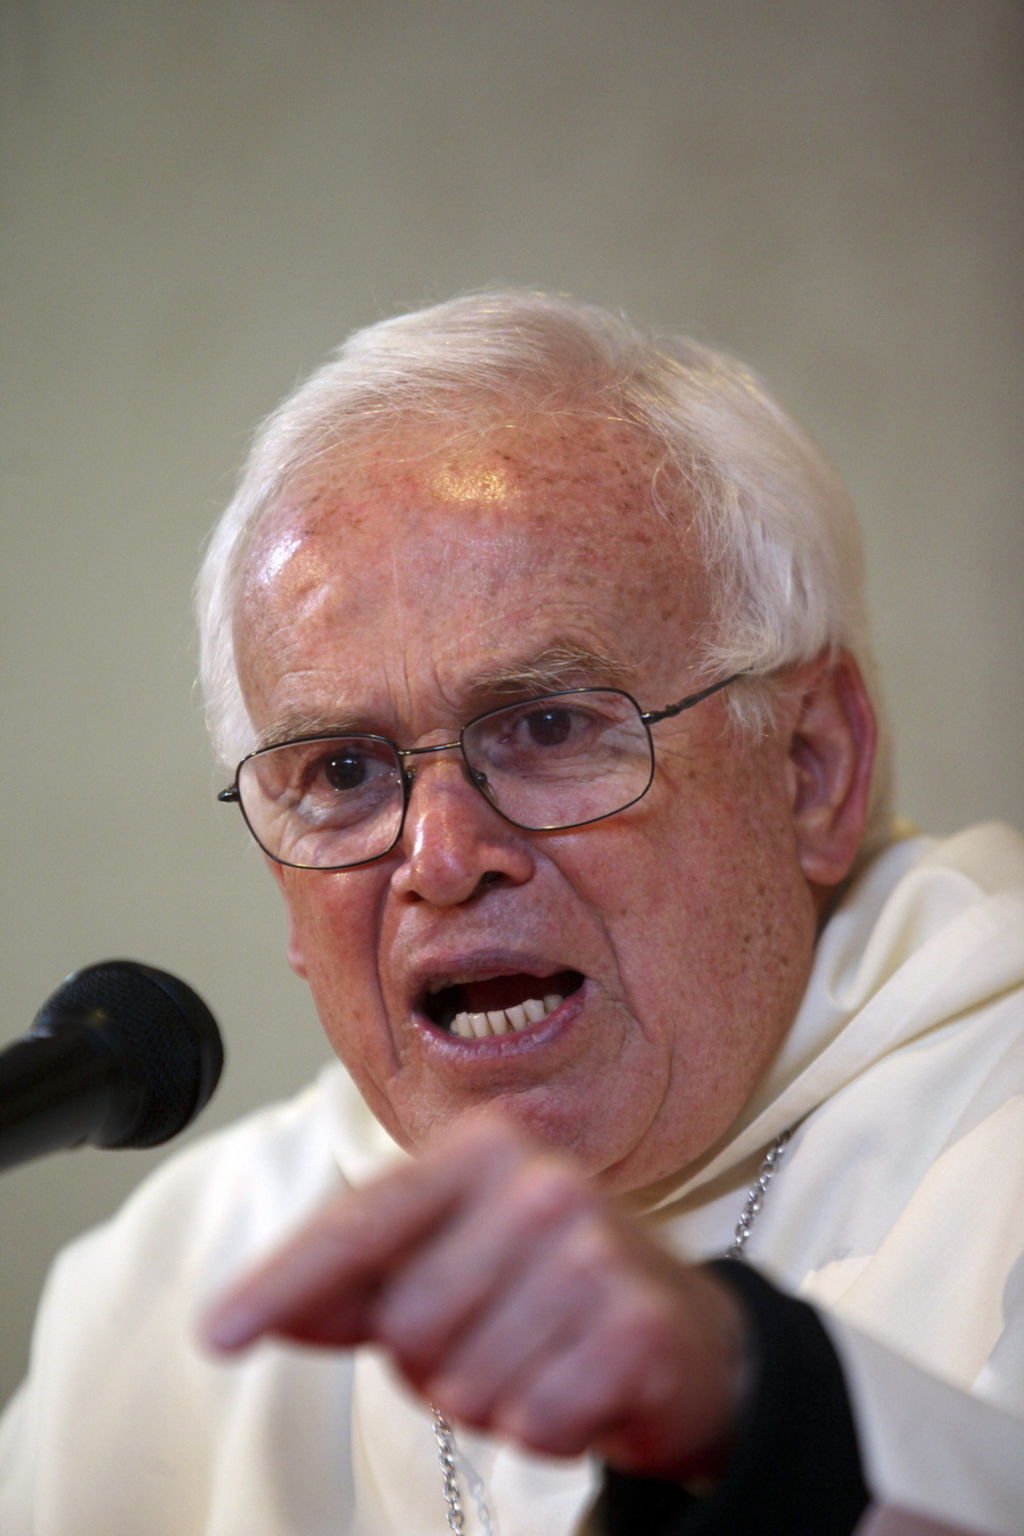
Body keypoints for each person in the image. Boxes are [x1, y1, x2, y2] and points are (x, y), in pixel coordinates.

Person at [2, 292, 1022, 1535]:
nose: (441, 857)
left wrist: (767, 1410)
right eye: (341, 772)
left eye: (547, 726)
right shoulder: (168, 1297)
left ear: (809, 767)